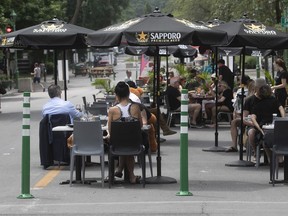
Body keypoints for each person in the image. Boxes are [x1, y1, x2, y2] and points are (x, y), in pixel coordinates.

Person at [106, 81, 142, 184]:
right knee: (127, 142)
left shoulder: (112, 110)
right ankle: (131, 176)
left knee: (121, 142)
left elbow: (110, 130)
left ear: (116, 95)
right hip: (134, 144)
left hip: (117, 145)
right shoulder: (135, 107)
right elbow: (140, 125)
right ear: (128, 94)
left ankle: (115, 172)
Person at [226, 78, 265, 152]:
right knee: (234, 122)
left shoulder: (268, 99)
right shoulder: (249, 99)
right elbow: (244, 115)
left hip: (260, 121)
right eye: (253, 89)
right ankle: (234, 145)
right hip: (250, 120)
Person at [249, 84, 285, 162]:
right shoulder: (274, 101)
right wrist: (282, 119)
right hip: (277, 126)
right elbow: (281, 108)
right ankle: (280, 158)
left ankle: (270, 159)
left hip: (264, 128)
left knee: (265, 142)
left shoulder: (257, 104)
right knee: (280, 140)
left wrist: (257, 126)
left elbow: (253, 117)